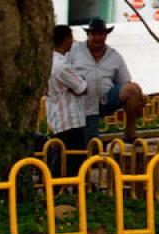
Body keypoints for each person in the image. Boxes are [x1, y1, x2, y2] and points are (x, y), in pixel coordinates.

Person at [69, 17, 147, 143]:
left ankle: (130, 131)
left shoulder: (114, 55)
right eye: (94, 34)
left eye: (101, 34)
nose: (98, 38)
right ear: (88, 34)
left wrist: (139, 95)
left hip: (106, 100)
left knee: (133, 89)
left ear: (106, 35)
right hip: (83, 104)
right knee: (91, 143)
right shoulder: (75, 50)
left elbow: (126, 82)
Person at [46, 25, 88, 176]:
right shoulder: (62, 66)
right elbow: (82, 88)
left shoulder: (47, 62)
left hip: (55, 119)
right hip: (70, 120)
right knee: (75, 160)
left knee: (60, 159)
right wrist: (79, 82)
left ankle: (57, 190)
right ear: (66, 39)